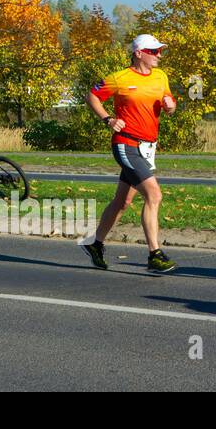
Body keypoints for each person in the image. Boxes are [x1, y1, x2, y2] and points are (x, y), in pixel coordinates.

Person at [81, 34, 178, 273]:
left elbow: (170, 105)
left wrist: (170, 107)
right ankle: (154, 254)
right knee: (154, 195)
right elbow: (92, 95)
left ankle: (95, 244)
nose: (159, 55)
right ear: (139, 53)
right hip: (126, 144)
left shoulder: (160, 76)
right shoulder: (120, 78)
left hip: (147, 147)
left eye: (159, 51)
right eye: (154, 51)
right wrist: (108, 119)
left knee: (123, 202)